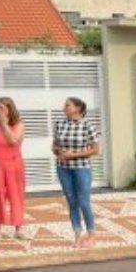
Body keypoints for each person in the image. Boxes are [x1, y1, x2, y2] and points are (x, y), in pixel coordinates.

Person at [52, 97, 99, 246]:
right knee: (71, 201)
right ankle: (77, 234)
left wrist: (72, 155)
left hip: (82, 168)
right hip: (63, 168)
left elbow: (95, 150)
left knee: (83, 201)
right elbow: (54, 146)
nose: (64, 107)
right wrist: (59, 152)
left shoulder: (87, 125)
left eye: (67, 105)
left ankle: (91, 235)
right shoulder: (59, 124)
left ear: (77, 108)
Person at [0, 96, 28, 242]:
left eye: (2, 107)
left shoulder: (18, 124)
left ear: (10, 109)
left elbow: (13, 140)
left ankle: (19, 228)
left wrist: (4, 124)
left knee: (16, 196)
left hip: (14, 165)